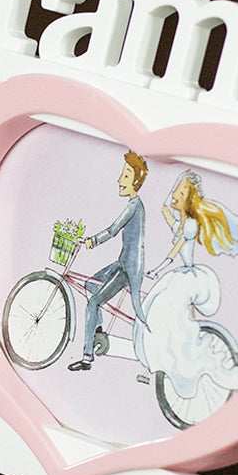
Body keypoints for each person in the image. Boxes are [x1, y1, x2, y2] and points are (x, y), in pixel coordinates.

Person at [134, 172, 238, 423]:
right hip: (181, 276)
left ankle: (196, 364)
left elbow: (175, 249)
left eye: (181, 193)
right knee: (155, 312)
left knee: (162, 315)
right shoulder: (182, 222)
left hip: (190, 278)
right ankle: (165, 359)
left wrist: (158, 269)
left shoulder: (190, 225)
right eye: (177, 191)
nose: (176, 196)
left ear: (190, 199)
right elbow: (167, 214)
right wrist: (171, 195)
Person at [67, 151, 148, 372]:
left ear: (135, 182)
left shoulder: (134, 206)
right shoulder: (135, 204)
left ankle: (87, 358)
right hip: (123, 262)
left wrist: (92, 241)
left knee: (93, 303)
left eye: (126, 176)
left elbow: (113, 230)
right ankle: (98, 332)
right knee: (89, 284)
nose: (120, 180)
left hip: (128, 269)